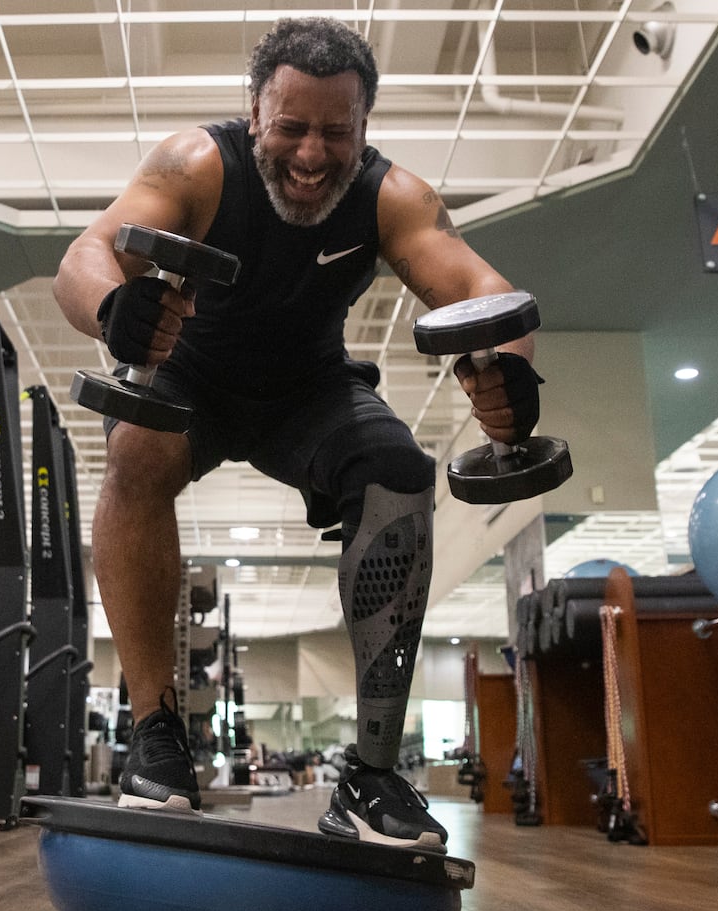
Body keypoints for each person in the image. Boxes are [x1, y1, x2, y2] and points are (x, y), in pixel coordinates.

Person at [53, 17, 544, 851]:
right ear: (255, 115)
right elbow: (86, 254)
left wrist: (509, 373)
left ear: (364, 129)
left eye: (335, 132)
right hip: (190, 373)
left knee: (396, 468)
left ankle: (373, 774)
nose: (312, 155)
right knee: (133, 444)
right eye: (292, 127)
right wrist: (114, 312)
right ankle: (156, 735)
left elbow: (483, 293)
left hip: (306, 388)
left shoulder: (392, 197)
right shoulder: (197, 165)